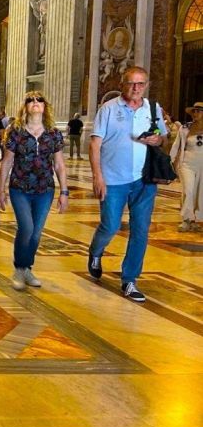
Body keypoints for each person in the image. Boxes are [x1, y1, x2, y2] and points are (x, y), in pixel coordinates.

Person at [87, 67, 166, 303]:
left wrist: (157, 139)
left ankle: (130, 279)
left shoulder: (153, 109)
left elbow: (162, 137)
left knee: (140, 230)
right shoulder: (109, 109)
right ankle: (95, 251)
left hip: (144, 180)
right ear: (123, 84)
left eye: (140, 84)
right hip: (113, 180)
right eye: (132, 83)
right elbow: (94, 144)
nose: (136, 88)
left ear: (146, 85)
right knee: (110, 226)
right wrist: (97, 177)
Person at [0, 92, 69, 290]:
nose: (35, 103)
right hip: (20, 187)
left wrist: (64, 192)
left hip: (45, 189)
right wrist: (0, 190)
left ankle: (27, 268)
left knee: (36, 233)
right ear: (25, 106)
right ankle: (19, 269)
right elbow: (7, 161)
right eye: (30, 100)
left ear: (45, 106)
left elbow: (60, 164)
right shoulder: (16, 131)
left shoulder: (53, 133)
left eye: (39, 100)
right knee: (26, 228)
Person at [171, 102, 203, 232]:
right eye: (194, 111)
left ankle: (195, 219)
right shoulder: (185, 128)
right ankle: (186, 218)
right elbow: (177, 145)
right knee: (188, 190)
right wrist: (173, 160)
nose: (195, 114)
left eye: (199, 111)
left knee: (199, 192)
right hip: (187, 164)